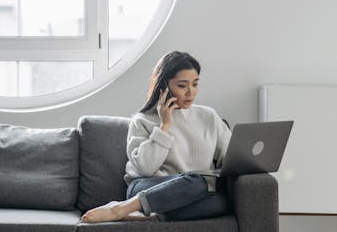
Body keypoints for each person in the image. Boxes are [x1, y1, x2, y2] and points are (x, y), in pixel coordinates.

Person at [81, 51, 231, 223]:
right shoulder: (142, 120)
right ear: (163, 87)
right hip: (146, 187)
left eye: (195, 84)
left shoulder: (209, 116)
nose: (191, 92)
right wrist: (164, 126)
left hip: (187, 193)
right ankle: (121, 208)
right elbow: (145, 168)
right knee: (197, 181)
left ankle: (153, 215)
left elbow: (230, 156)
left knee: (220, 202)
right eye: (182, 86)